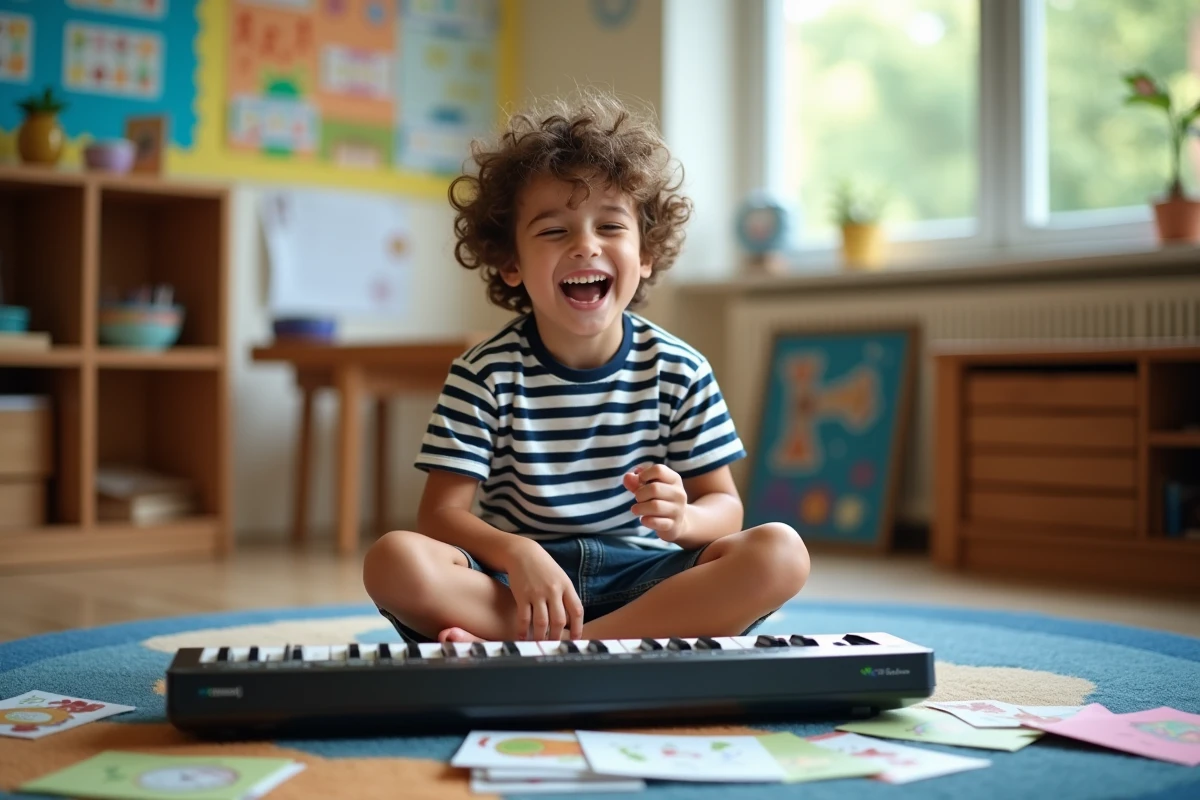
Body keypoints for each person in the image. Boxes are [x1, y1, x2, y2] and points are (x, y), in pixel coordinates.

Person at [363, 90, 809, 645]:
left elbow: (726, 507)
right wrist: (518, 552)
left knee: (780, 552)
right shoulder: (484, 374)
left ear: (645, 254)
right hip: (519, 587)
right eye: (554, 230)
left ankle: (553, 653)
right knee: (393, 560)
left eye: (611, 227)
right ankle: (606, 648)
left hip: (647, 582)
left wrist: (685, 519)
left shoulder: (682, 370)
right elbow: (439, 516)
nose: (585, 246)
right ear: (511, 263)